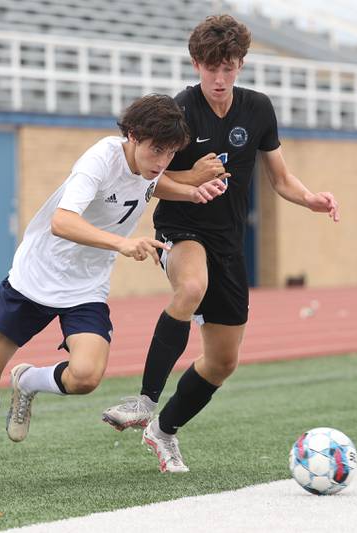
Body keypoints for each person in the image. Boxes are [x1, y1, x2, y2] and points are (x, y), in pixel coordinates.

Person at [101, 15, 340, 473]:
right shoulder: (178, 111)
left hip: (229, 240)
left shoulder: (259, 109)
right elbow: (151, 178)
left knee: (222, 362)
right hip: (181, 229)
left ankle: (163, 430)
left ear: (241, 65)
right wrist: (192, 180)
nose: (220, 78)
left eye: (228, 68)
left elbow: (281, 178)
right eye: (212, 68)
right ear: (197, 64)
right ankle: (145, 400)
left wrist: (310, 199)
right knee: (190, 287)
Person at [0, 94, 227, 485]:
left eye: (170, 154)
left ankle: (28, 380)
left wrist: (189, 191)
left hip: (85, 288)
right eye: (156, 151)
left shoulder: (152, 166)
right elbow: (62, 221)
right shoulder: (99, 160)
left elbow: (153, 185)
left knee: (85, 377)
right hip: (35, 276)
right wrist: (123, 243)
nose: (162, 162)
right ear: (132, 136)